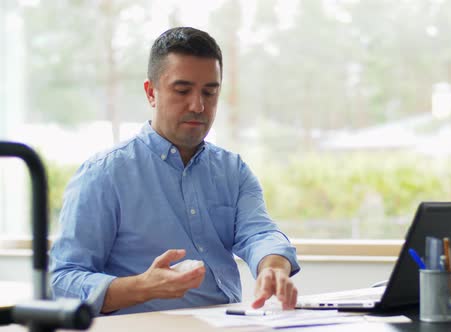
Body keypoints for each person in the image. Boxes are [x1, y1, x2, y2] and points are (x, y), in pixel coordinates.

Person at [49, 27, 300, 316]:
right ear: (151, 93)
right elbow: (63, 280)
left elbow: (260, 233)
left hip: (227, 323)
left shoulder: (234, 170)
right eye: (182, 90)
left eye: (210, 92)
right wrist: (143, 286)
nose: (198, 105)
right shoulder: (103, 175)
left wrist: (273, 266)